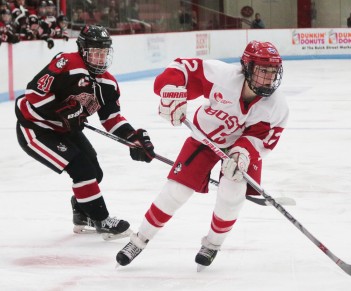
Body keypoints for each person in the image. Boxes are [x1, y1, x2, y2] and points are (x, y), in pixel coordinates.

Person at [116, 40, 289, 270]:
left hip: (240, 149)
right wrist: (172, 92)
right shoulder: (223, 76)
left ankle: (213, 245)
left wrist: (242, 155)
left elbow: (261, 140)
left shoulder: (276, 106)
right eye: (262, 71)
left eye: (272, 72)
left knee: (232, 193)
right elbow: (180, 69)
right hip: (205, 138)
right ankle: (139, 240)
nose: (268, 78)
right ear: (247, 67)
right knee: (175, 191)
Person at [15, 25, 156, 238]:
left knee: (94, 172)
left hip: (65, 129)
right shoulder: (67, 63)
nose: (100, 58)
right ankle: (101, 220)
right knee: (82, 170)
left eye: (103, 53)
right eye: (95, 53)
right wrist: (60, 112)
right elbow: (34, 94)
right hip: (36, 128)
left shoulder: (107, 84)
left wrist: (132, 138)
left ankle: (82, 214)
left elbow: (111, 118)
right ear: (83, 49)